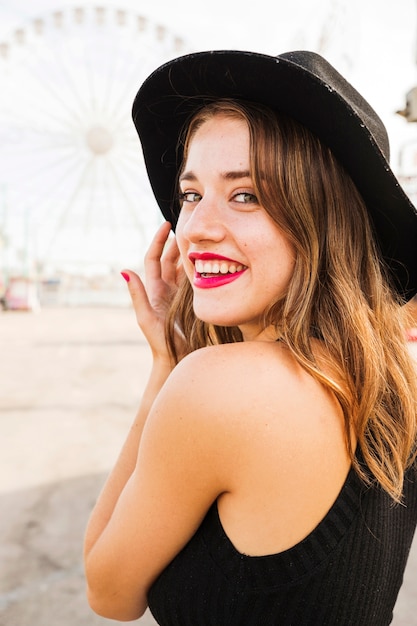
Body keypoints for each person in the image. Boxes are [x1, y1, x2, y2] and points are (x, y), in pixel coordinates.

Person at [83, 50, 417, 625]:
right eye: (191, 195)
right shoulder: (394, 381)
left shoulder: (219, 388)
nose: (198, 229)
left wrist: (167, 365)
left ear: (326, 220)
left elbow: (108, 592)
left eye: (246, 195)